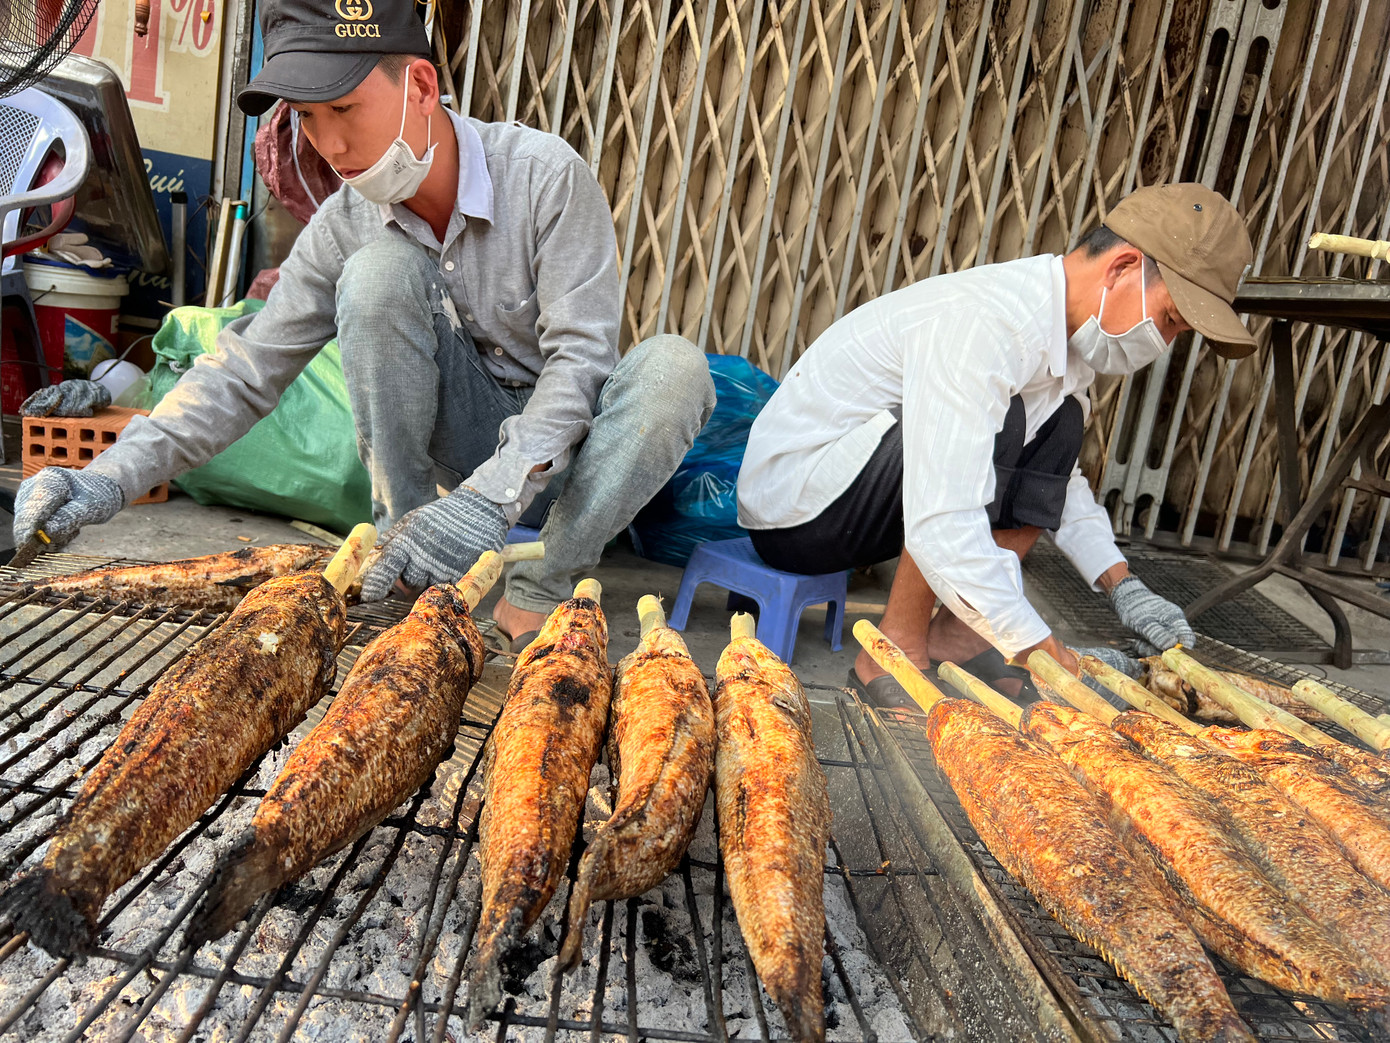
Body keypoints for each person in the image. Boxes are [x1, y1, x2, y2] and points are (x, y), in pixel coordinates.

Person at [12, 0, 715, 647]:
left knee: (676, 370)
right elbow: (245, 370)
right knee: (378, 273)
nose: (330, 145)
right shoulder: (343, 224)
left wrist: (488, 501)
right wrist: (106, 476)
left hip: (575, 464)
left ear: (418, 86)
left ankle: (542, 581)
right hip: (460, 454)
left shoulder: (544, 178)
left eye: (345, 108)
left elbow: (582, 364)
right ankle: (405, 560)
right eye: (308, 118)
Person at [737, 183, 1256, 705]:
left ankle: (958, 640)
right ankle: (892, 651)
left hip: (868, 504)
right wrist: (1038, 647)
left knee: (1061, 424)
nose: (1164, 343)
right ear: (1120, 268)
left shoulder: (1063, 351)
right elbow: (945, 510)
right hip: (797, 512)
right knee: (998, 427)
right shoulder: (985, 324)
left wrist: (1123, 585)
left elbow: (1058, 481)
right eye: (1169, 319)